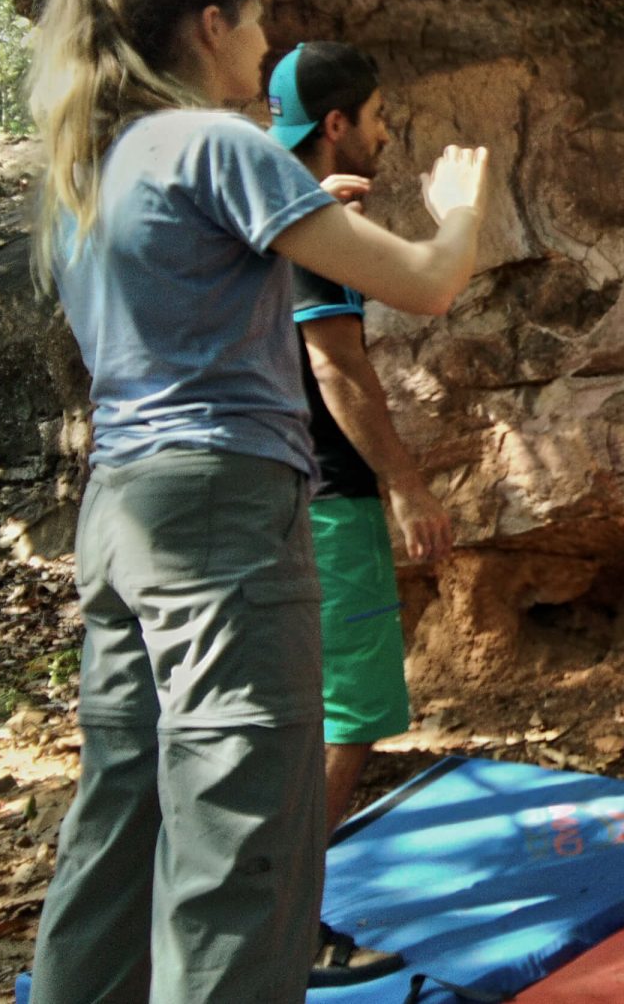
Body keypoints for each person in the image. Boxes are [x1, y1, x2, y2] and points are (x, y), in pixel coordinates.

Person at [24, 0, 488, 1002]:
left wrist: (304, 209)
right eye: (261, 16)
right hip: (221, 513)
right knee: (243, 827)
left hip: (123, 515)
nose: (268, 41)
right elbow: (425, 282)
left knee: (123, 811)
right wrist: (462, 213)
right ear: (211, 24)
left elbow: (190, 277)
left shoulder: (95, 162)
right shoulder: (213, 144)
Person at [264, 41, 452, 838]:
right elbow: (337, 366)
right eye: (375, 118)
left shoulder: (255, 198)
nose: (384, 134)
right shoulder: (317, 228)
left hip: (262, 486)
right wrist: (406, 486)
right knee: (352, 708)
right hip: (326, 498)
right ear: (335, 122)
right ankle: (288, 912)